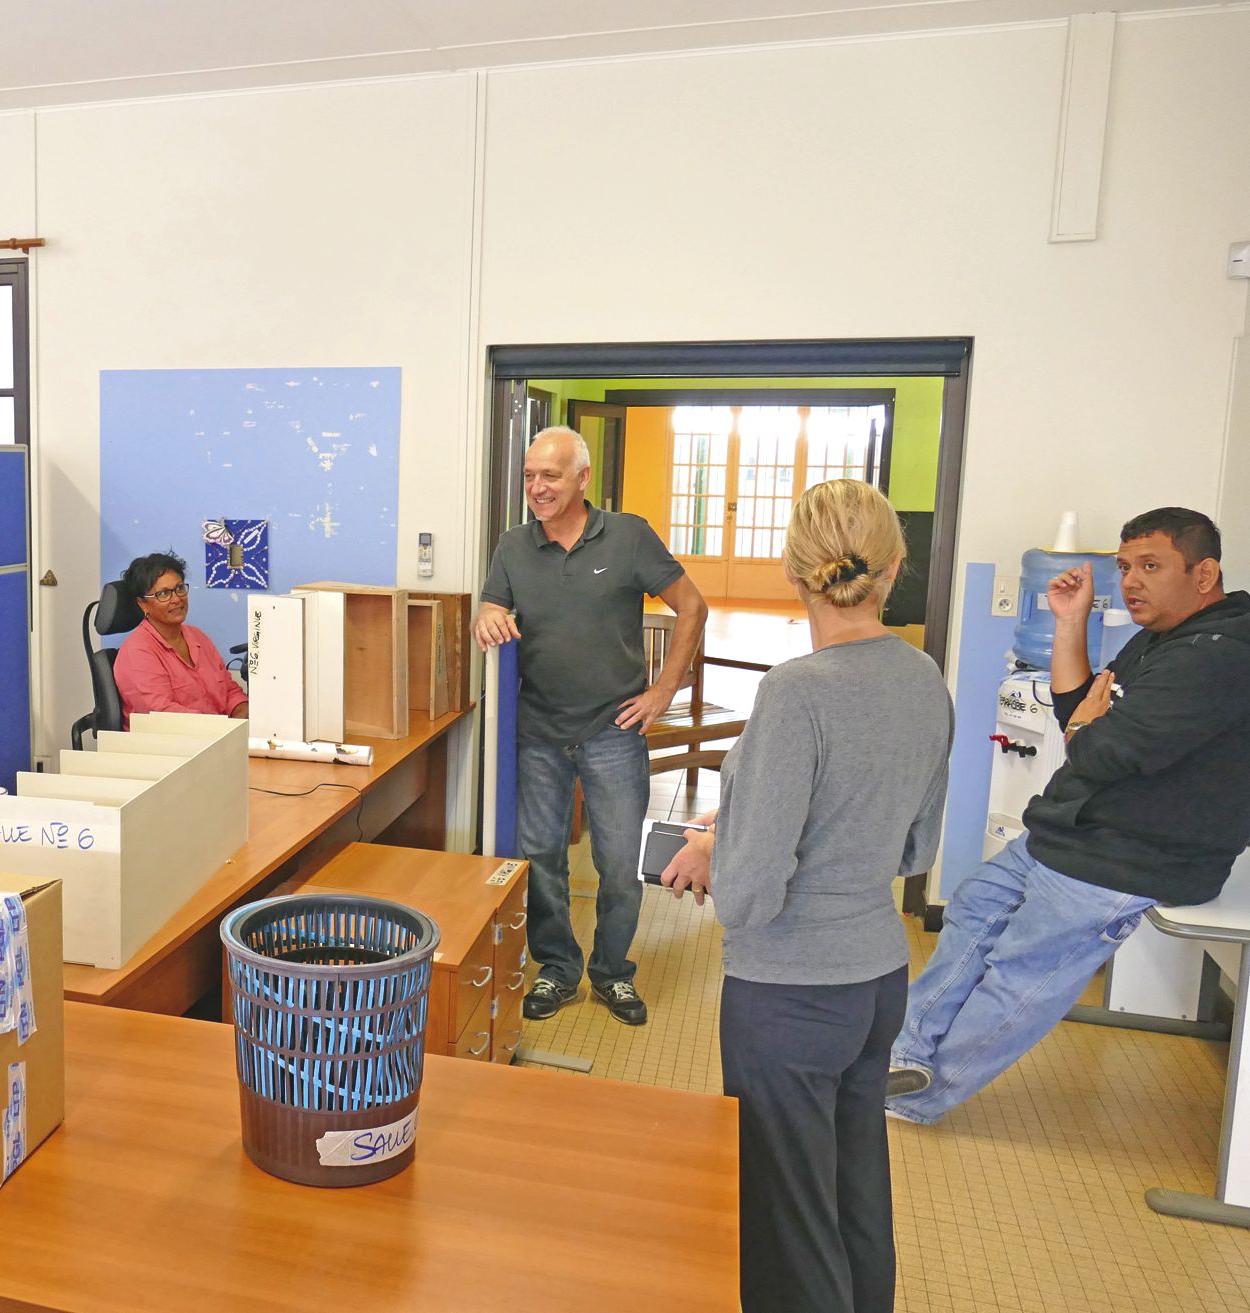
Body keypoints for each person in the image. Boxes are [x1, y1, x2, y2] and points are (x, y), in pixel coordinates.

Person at [659, 478, 951, 1313]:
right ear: (894, 569)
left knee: (785, 1218)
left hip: (789, 994)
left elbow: (750, 895)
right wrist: (744, 818)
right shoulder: (922, 677)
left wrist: (718, 852)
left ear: (792, 572)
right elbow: (913, 846)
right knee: (853, 1189)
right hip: (875, 982)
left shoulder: (795, 690)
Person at [887, 507, 1250, 1123]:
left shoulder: (1219, 654)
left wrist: (1089, 726)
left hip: (1131, 854)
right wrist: (1072, 622)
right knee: (975, 904)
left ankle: (918, 1099)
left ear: (1205, 571)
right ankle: (905, 1053)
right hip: (1077, 830)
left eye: (1151, 566)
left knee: (1020, 971)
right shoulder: (1169, 636)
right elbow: (1077, 715)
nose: (1131, 580)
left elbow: (1104, 746)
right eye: (1126, 566)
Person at [476, 426, 707, 1025]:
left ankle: (611, 973)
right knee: (542, 859)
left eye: (550, 476)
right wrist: (486, 616)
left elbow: (693, 605)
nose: (536, 487)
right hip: (538, 732)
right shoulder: (512, 546)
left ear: (582, 479)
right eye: (529, 476)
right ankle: (556, 969)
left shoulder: (628, 537)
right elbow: (491, 608)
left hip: (613, 731)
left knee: (618, 863)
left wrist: (663, 689)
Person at [111, 550, 249, 720]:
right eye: (163, 594)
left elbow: (229, 690)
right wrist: (225, 727)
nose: (176, 599)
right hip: (172, 742)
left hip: (217, 735)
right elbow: (162, 714)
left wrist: (243, 711)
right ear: (143, 604)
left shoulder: (198, 637)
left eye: (179, 588)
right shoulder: (137, 651)